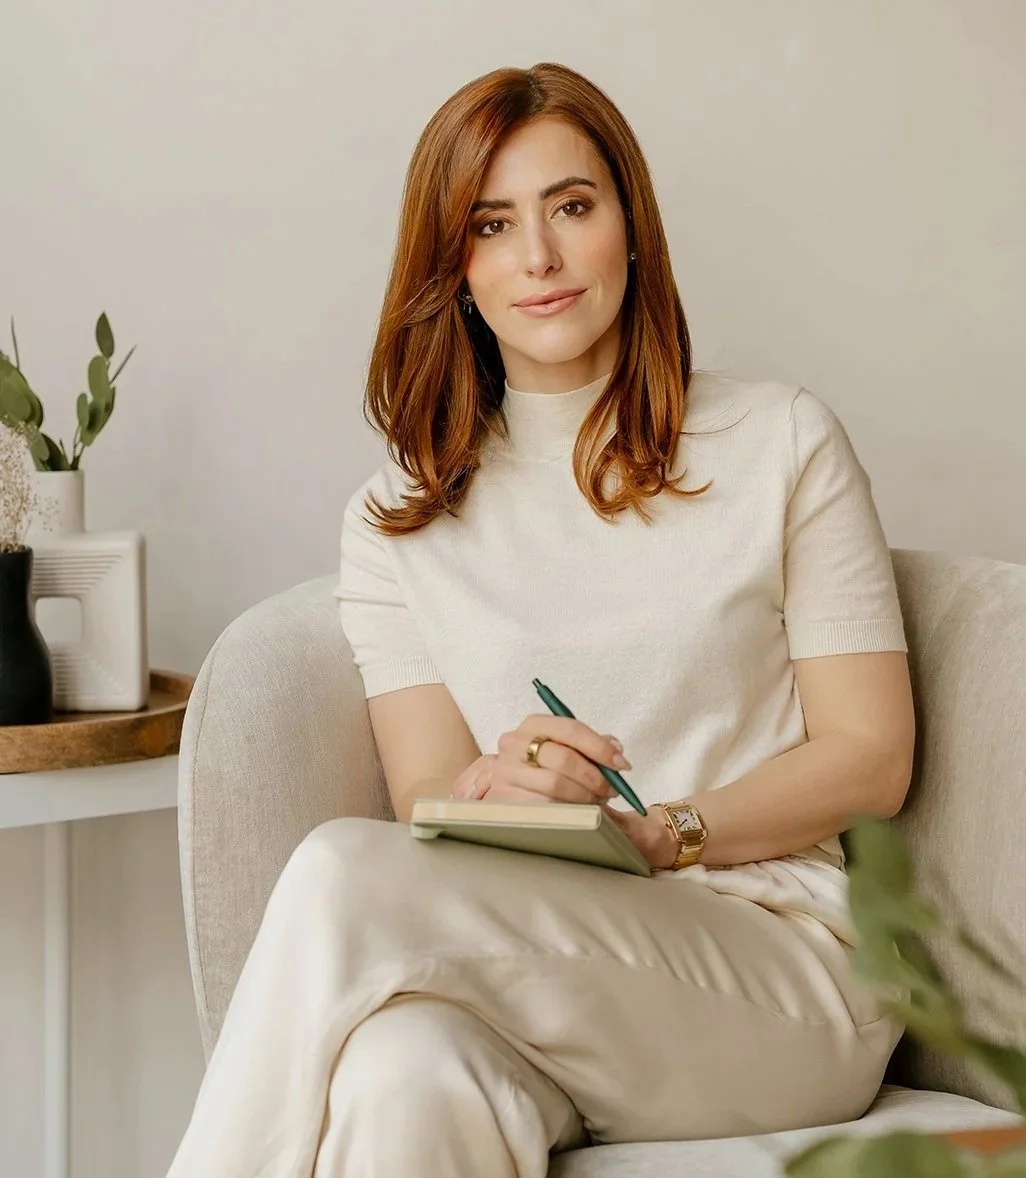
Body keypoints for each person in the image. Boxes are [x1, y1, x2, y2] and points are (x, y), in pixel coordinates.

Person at [166, 61, 916, 1178]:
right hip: (547, 967)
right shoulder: (396, 516)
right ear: (455, 269)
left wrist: (669, 832)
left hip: (782, 972)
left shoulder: (781, 441)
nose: (540, 257)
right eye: (492, 224)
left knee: (336, 870)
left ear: (630, 226)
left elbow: (873, 756)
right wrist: (493, 787)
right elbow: (430, 793)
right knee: (400, 1076)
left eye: (571, 206)